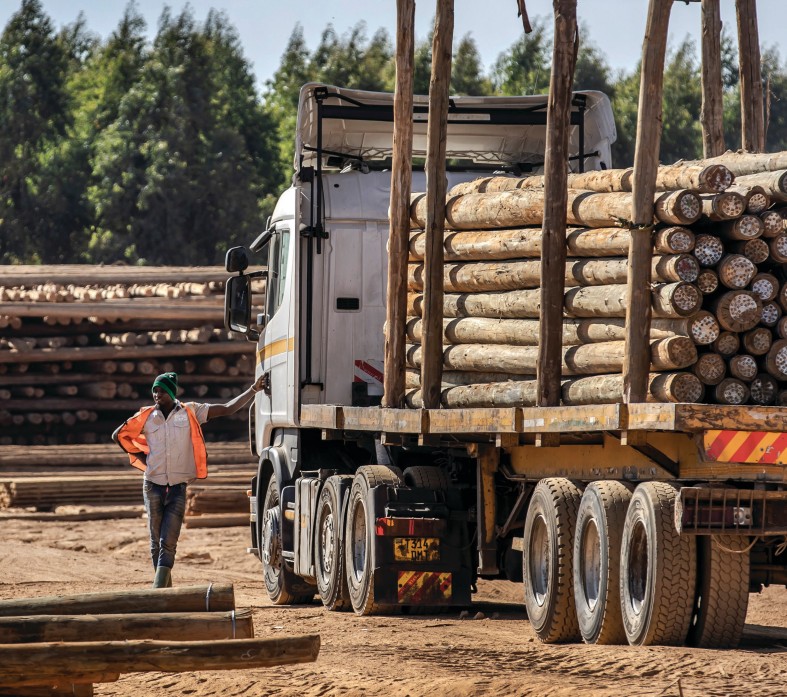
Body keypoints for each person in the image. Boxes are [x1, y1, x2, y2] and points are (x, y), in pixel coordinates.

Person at [112, 371, 265, 588]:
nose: (157, 395)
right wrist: (144, 460)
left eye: (161, 391)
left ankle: (158, 589)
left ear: (171, 392)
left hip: (178, 487)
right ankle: (164, 590)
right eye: (155, 391)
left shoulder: (191, 411)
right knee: (156, 540)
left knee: (169, 540)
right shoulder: (146, 416)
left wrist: (253, 389)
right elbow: (118, 435)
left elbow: (227, 408)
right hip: (152, 485)